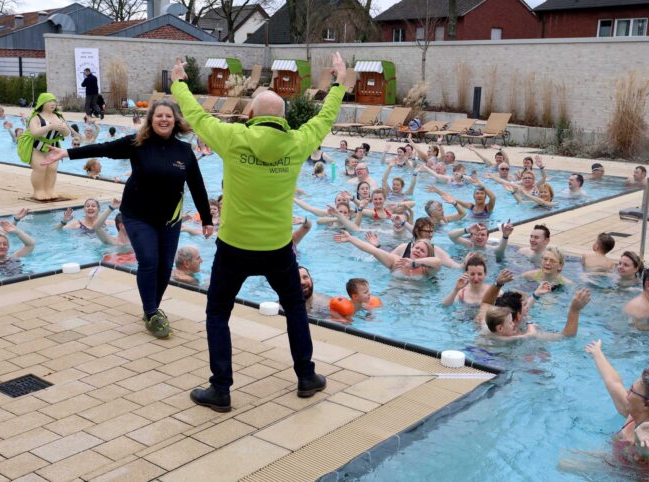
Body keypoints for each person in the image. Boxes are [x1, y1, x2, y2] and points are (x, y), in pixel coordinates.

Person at [170, 53, 347, 412]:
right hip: (277, 248)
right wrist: (339, 84)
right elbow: (324, 117)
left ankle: (221, 389)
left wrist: (178, 83)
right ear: (283, 118)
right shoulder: (297, 143)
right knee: (295, 308)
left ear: (251, 114)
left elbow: (197, 116)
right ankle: (306, 376)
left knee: (218, 314)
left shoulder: (234, 138)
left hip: (234, 246)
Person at [43, 98, 213, 339]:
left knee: (165, 267)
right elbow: (103, 148)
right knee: (149, 260)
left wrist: (206, 218)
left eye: (168, 116)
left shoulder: (184, 151)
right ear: (151, 120)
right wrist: (67, 153)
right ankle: (152, 312)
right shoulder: (137, 143)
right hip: (137, 216)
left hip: (169, 221)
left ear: (176, 120)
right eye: (158, 116)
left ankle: (152, 308)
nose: (163, 119)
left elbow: (196, 186)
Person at [585, 339, 649, 455]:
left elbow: (644, 454)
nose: (627, 392)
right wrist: (597, 352)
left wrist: (639, 439)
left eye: (632, 391)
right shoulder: (633, 414)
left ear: (647, 404)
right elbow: (614, 383)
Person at [18, 93, 71, 200]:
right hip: (37, 148)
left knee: (52, 169)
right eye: (49, 101)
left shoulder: (59, 117)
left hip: (53, 147)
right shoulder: (36, 117)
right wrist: (50, 126)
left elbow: (66, 133)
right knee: (40, 168)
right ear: (42, 103)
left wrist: (64, 128)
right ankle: (38, 191)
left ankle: (50, 190)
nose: (53, 104)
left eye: (54, 101)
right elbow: (34, 133)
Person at [486, 288, 591, 339]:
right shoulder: (523, 335)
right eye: (525, 306)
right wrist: (574, 310)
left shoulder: (491, 325)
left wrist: (536, 295)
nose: (527, 308)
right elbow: (567, 336)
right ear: (518, 315)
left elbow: (519, 312)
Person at [334, 230, 441, 279]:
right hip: (394, 295)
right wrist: (350, 239)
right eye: (416, 248)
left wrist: (414, 263)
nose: (418, 250)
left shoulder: (427, 270)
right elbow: (372, 250)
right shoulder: (396, 261)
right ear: (411, 249)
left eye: (422, 251)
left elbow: (438, 262)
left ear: (427, 256)